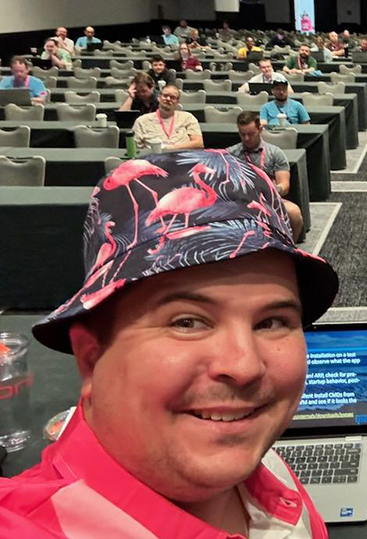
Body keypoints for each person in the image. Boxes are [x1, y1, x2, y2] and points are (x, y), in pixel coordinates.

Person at [0, 152, 337, 537]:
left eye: (272, 321)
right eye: (187, 322)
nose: (245, 366)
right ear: (91, 359)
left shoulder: (267, 472)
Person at [228, 111, 304, 241]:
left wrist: (271, 189)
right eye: (242, 134)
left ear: (260, 129)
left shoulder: (275, 153)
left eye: (250, 134)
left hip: (269, 199)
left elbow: (284, 186)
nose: (246, 138)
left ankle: (292, 246)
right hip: (241, 200)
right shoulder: (230, 154)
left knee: (294, 213)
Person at [133, 85, 203, 151]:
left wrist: (171, 148)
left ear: (177, 102)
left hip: (183, 157)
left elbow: (199, 143)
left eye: (172, 97)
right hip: (152, 159)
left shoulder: (188, 118)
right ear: (159, 97)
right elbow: (134, 149)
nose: (168, 99)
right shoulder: (142, 121)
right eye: (165, 96)